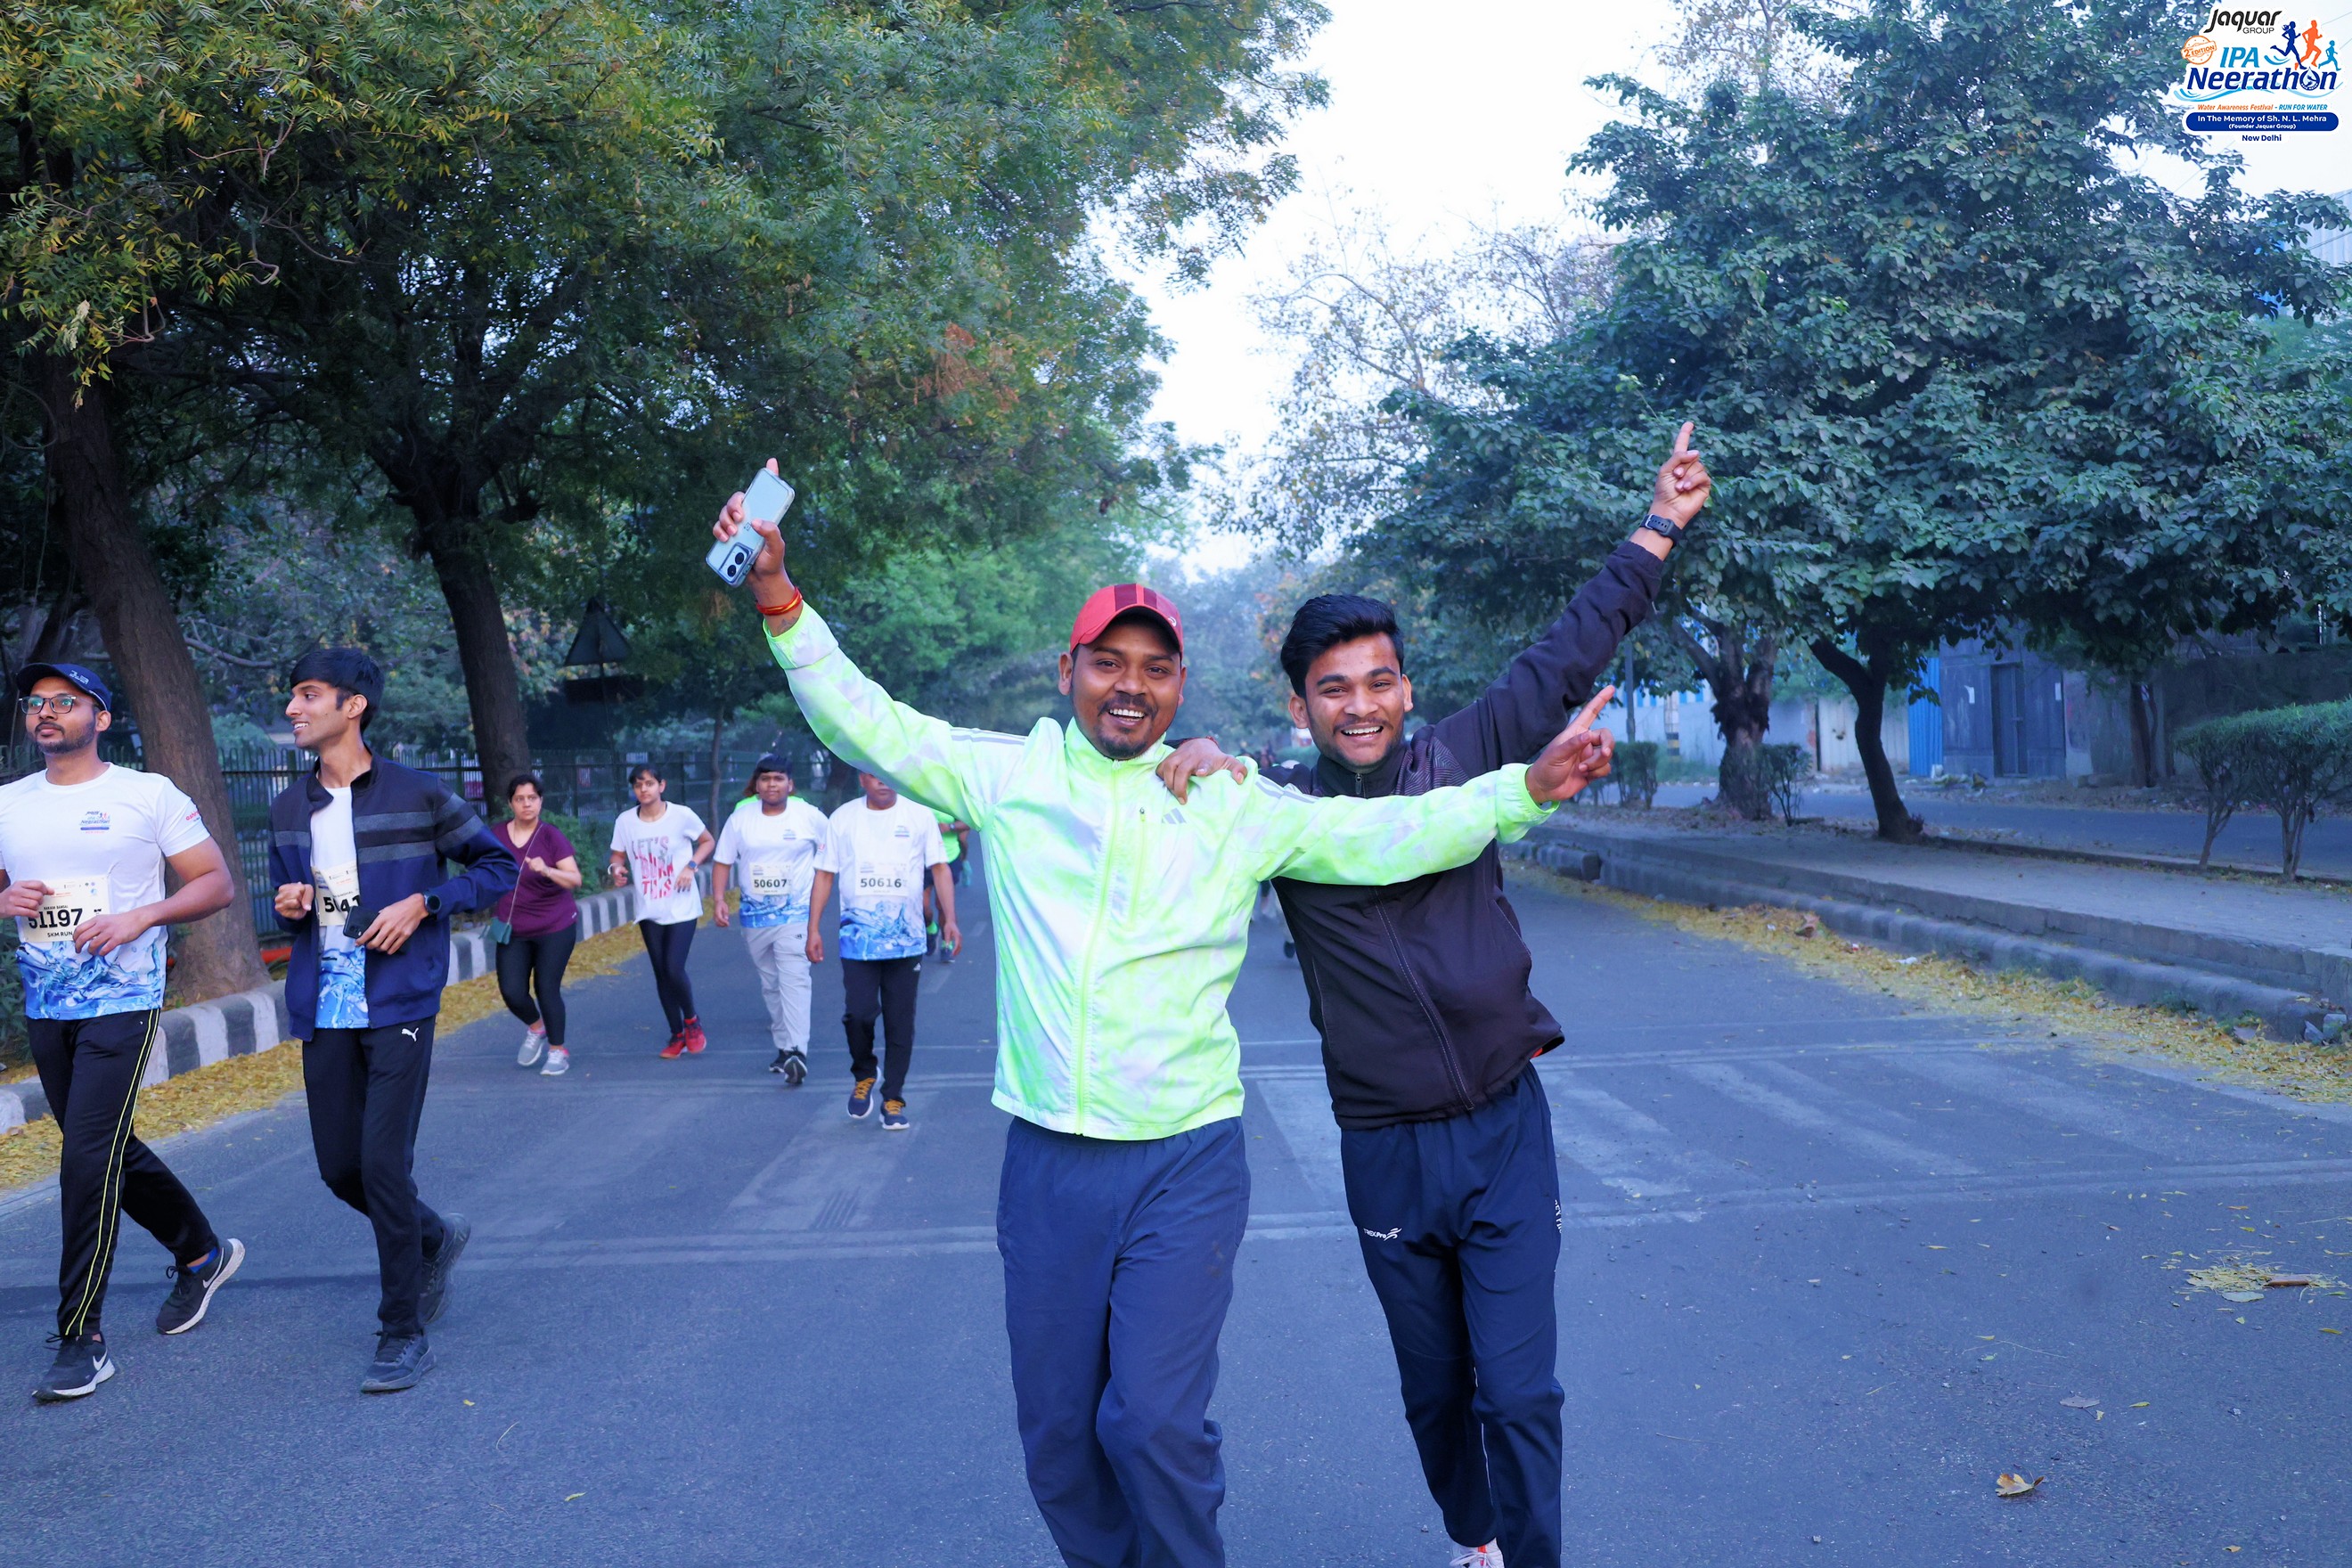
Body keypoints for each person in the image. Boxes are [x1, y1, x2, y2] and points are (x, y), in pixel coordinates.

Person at [712, 470, 1612, 1568]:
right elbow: (867, 717)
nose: (1129, 686)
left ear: (1180, 685)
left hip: (1186, 1157)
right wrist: (779, 597)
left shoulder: (1231, 802)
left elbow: (1391, 835)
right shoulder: (1007, 778)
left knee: (1151, 1423)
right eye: (1108, 662)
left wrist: (1524, 791)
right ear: (1069, 673)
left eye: (1154, 667)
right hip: (1049, 1159)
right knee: (1059, 1444)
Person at [1156, 422, 1711, 1568]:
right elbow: (1175, 820)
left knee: (1521, 1390)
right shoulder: (1273, 812)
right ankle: (1475, 1535)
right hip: (1386, 1148)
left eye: (1378, 681)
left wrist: (1660, 524)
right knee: (1435, 1391)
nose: (1359, 705)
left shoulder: (1463, 756)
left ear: (1406, 688)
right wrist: (1195, 753)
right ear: (1301, 706)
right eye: (1332, 689)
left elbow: (1569, 650)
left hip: (1505, 1129)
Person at [268, 648, 515, 1393]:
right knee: (340, 1169)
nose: (293, 709)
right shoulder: (288, 808)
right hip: (325, 1005)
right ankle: (433, 1235)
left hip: (400, 1000)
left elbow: (497, 867)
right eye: (293, 696)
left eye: (308, 694)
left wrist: (426, 902)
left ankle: (402, 1332)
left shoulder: (418, 792)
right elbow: (288, 902)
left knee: (382, 1164)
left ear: (354, 706)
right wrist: (289, 903)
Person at [0, 663, 247, 1402]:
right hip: (47, 1000)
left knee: (85, 1157)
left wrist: (142, 916)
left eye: (65, 702)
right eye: (36, 703)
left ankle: (82, 1338)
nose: (46, 713)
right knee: (104, 1144)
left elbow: (215, 882)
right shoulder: (8, 802)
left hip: (123, 996)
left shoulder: (148, 794)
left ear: (100, 718)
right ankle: (201, 1253)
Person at [805, 771, 956, 1130]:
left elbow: (939, 868)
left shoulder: (919, 816)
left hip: (906, 939)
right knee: (858, 1015)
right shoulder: (843, 819)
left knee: (900, 1020)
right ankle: (864, 1073)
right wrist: (813, 928)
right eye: (874, 775)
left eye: (888, 775)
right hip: (858, 939)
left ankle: (893, 1097)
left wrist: (950, 919)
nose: (883, 781)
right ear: (862, 779)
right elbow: (825, 874)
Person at [711, 754, 829, 1084]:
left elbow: (830, 859)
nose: (772, 785)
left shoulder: (810, 817)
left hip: (796, 915)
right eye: (765, 779)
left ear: (790, 784)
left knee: (795, 979)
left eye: (778, 779)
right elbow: (722, 861)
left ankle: (797, 1050)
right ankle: (783, 1046)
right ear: (757, 785)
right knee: (771, 983)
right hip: (755, 917)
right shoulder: (741, 819)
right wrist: (719, 900)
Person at [605, 764, 713, 1058]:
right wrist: (616, 868)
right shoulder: (626, 821)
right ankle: (676, 1035)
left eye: (649, 783)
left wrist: (691, 866)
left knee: (674, 967)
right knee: (661, 973)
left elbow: (707, 841)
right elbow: (617, 854)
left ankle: (691, 1021)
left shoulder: (681, 815)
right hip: (649, 907)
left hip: (681, 905)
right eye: (638, 785)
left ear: (661, 786)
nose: (644, 789)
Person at [494, 774, 584, 1077]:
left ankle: (558, 1051)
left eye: (532, 798)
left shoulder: (550, 836)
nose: (526, 804)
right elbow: (483, 869)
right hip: (513, 929)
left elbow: (574, 879)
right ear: (511, 803)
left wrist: (547, 870)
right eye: (520, 799)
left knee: (546, 988)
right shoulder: (496, 835)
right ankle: (536, 1027)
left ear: (541, 801)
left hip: (554, 926)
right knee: (512, 991)